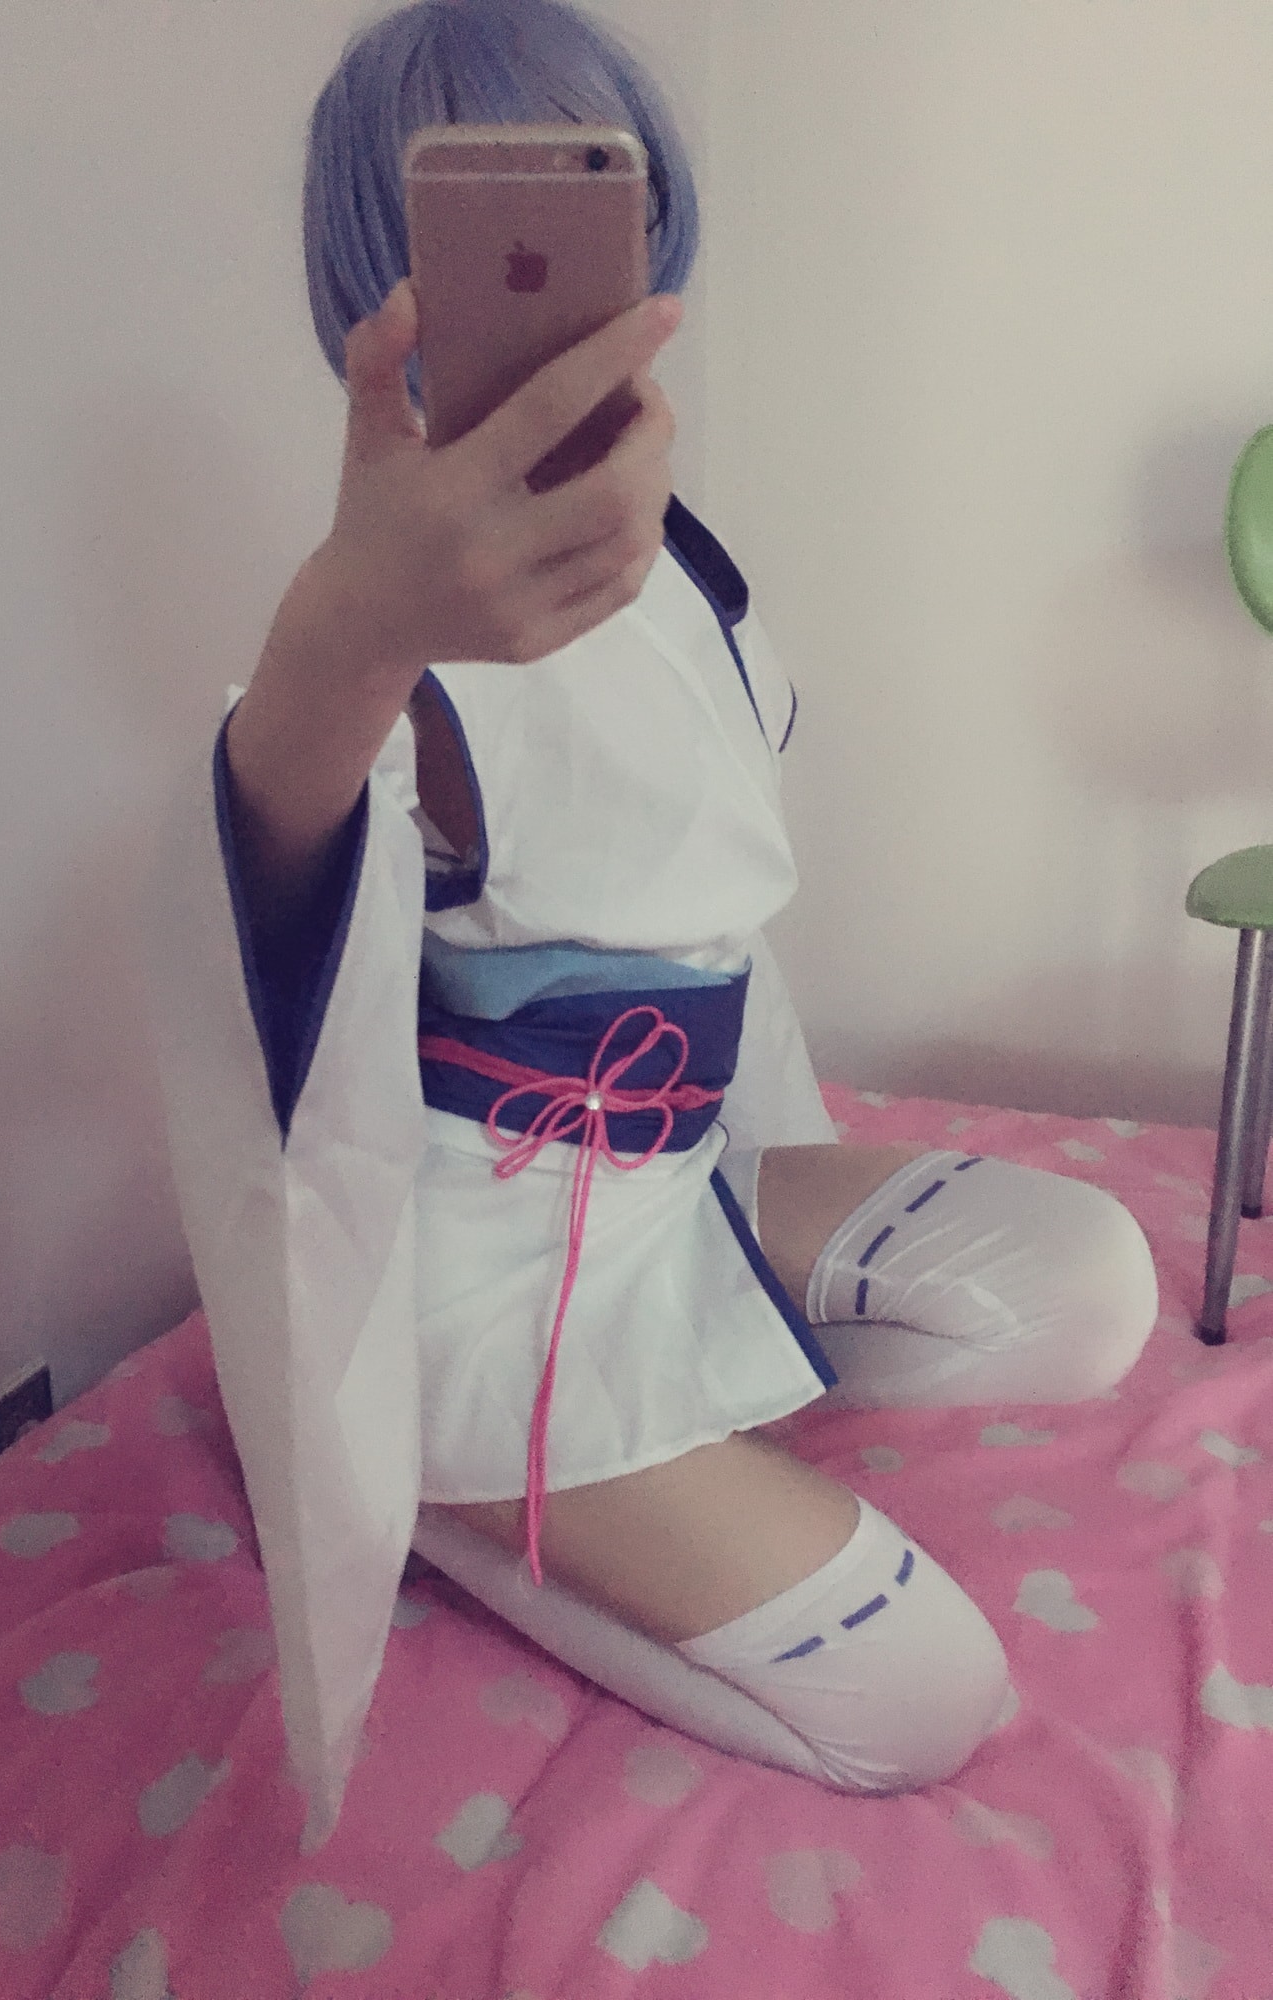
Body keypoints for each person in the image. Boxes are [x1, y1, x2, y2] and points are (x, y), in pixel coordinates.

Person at [146, 0, 1159, 1853]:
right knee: (930, 1702)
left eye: (582, 205)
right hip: (493, 1280)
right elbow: (258, 861)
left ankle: (673, 1442)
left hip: (676, 1188)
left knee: (1095, 1285)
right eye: (476, 226)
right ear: (381, 277)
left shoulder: (679, 558)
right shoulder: (372, 648)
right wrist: (355, 632)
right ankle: (445, 1500)